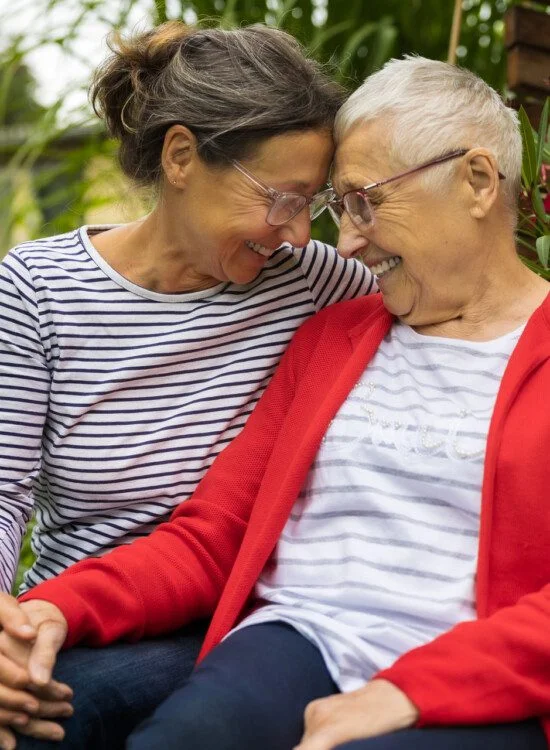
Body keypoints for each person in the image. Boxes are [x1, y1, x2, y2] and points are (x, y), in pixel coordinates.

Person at [5, 55, 550, 750]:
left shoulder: (330, 287)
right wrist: (54, 605)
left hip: (479, 666)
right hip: (297, 639)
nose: (341, 240)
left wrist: (409, 690)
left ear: (476, 181)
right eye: (336, 206)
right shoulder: (335, 334)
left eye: (364, 201)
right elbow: (214, 530)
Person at [0, 20, 375, 749]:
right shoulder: (36, 291)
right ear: (181, 156)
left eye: (312, 204)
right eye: (281, 198)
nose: (296, 234)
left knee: (52, 718)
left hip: (238, 614)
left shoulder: (320, 286)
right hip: (75, 608)